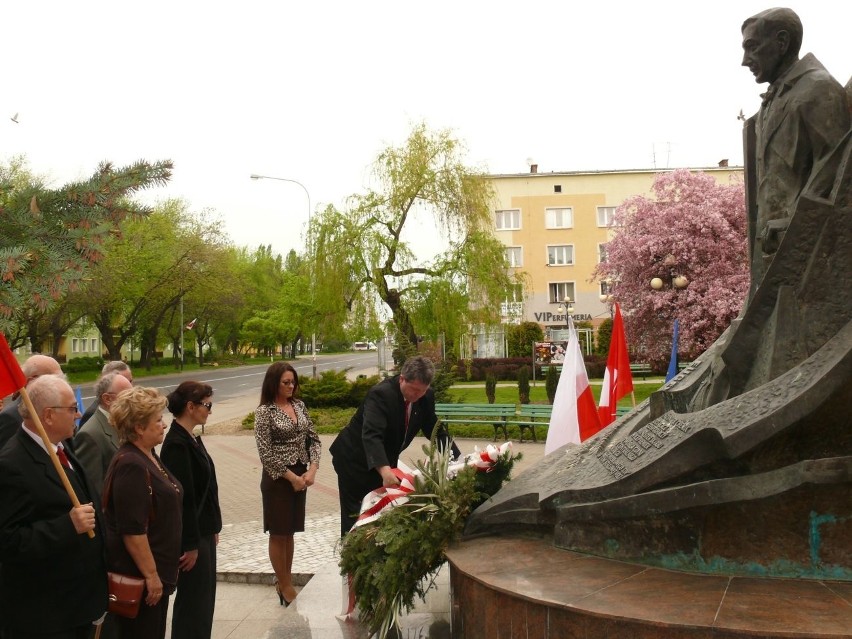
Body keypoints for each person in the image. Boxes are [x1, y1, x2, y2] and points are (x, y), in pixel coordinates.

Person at [740, 7, 850, 295]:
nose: (745, 60)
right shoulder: (770, 102)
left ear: (782, 41)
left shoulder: (817, 89)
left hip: (804, 257)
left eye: (752, 47)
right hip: (772, 252)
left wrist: (795, 225)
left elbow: (839, 177)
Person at [0, 374, 108, 638]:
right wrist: (66, 525)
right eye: (72, 408)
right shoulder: (12, 464)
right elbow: (8, 541)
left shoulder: (61, 446)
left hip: (79, 604)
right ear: (48, 416)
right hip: (48, 616)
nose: (80, 414)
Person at [329, 356, 460, 536]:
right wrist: (385, 471)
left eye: (421, 391)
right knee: (358, 516)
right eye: (413, 389)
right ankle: (351, 558)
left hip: (383, 461)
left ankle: (376, 557)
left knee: (381, 514)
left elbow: (435, 429)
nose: (416, 396)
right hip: (354, 460)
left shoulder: (425, 397)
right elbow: (372, 435)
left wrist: (457, 458)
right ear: (401, 379)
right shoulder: (381, 394)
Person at [102, 387, 182, 639]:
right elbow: (132, 530)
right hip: (141, 580)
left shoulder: (148, 454)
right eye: (157, 420)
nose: (164, 425)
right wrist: (151, 576)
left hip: (158, 572)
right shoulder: (130, 464)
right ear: (138, 427)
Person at [253, 362, 321, 606]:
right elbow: (265, 453)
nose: (291, 386)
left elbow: (313, 439)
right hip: (278, 480)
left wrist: (312, 469)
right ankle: (284, 585)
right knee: (278, 533)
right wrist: (292, 478)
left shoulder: (299, 406)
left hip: (302, 477)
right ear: (274, 383)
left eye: (293, 382)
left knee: (290, 533)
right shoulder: (264, 412)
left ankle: (286, 580)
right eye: (286, 382)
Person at [160, 382, 222, 639]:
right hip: (192, 538)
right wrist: (191, 544)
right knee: (193, 604)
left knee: (204, 601)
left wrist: (214, 526)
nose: (210, 410)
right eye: (207, 405)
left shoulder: (191, 438)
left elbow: (208, 488)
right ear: (190, 406)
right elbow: (183, 500)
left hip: (204, 531)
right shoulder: (176, 444)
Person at [73, 372, 133, 505]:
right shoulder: (90, 435)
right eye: (127, 396)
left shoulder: (121, 423)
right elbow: (94, 491)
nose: (133, 401)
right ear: (107, 399)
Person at [0, 354, 63, 449]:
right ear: (32, 381)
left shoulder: (58, 410)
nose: (63, 385)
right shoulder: (11, 418)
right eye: (55, 380)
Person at [79, 361, 134, 427]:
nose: (130, 387)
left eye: (130, 381)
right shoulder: (91, 414)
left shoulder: (132, 408)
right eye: (122, 381)